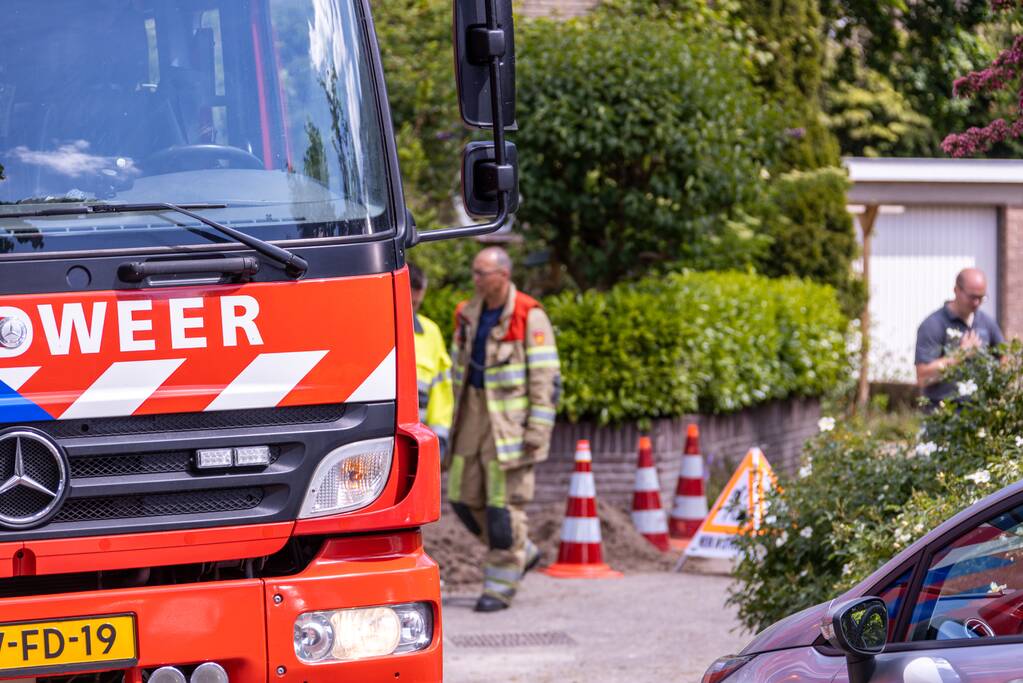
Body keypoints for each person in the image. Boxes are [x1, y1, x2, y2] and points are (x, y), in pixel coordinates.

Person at [447, 247, 560, 612]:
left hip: (508, 426)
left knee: (502, 507)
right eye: (474, 272)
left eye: (483, 273)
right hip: (473, 416)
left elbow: (546, 379)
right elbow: (456, 370)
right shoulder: (467, 313)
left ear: (504, 275)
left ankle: (499, 586)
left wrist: (536, 431)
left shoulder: (529, 315)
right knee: (461, 498)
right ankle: (520, 549)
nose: (476, 279)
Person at [915, 267, 1005, 407]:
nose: (976, 303)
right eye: (972, 297)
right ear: (956, 290)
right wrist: (960, 355)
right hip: (943, 415)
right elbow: (923, 377)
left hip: (980, 413)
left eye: (981, 298)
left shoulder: (987, 323)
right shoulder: (934, 325)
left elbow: (1004, 358)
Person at [409, 263, 453, 457]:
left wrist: (439, 438)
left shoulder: (430, 332)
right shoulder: (371, 329)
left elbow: (441, 391)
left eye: (415, 304)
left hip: (419, 442)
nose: (409, 310)